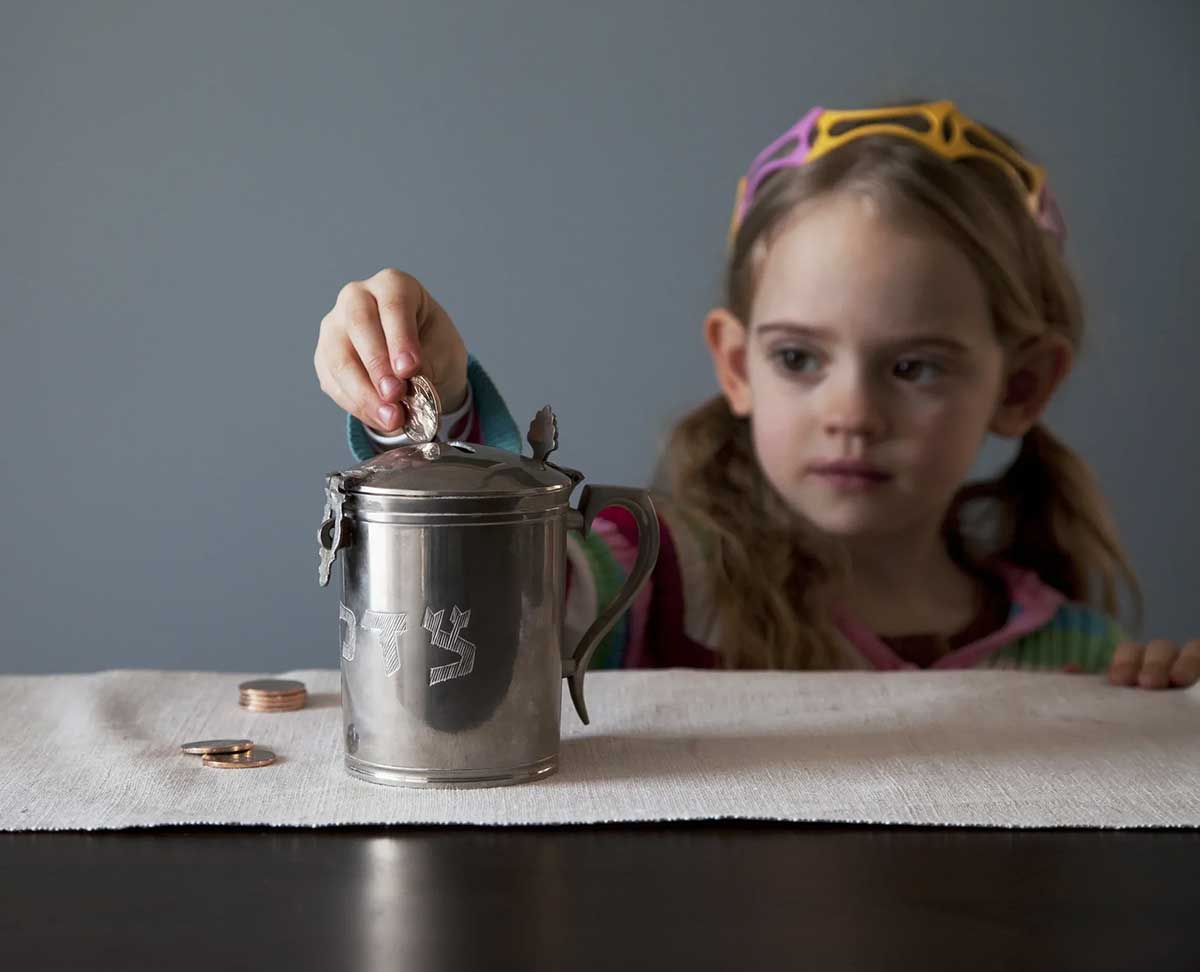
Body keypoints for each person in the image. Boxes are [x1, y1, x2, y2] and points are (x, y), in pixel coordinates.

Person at [313, 98, 1199, 691]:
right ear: (735, 365)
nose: (851, 413)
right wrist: (443, 401)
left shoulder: (1076, 659)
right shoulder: (652, 578)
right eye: (799, 360)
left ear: (1023, 384)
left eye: (914, 367)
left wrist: (1162, 708)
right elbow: (486, 615)